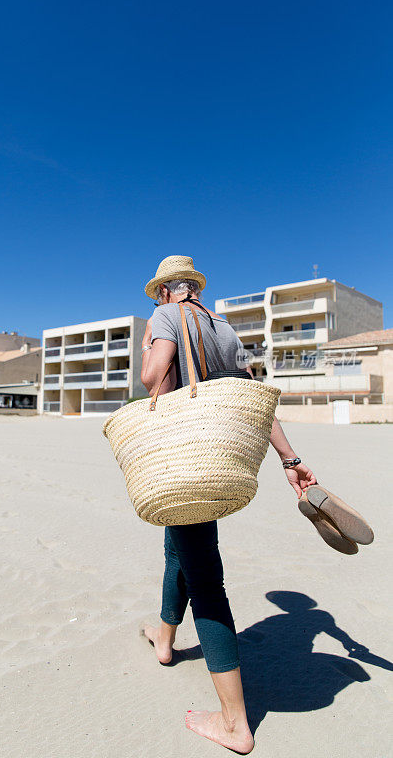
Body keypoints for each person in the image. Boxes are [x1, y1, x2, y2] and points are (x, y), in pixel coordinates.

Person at [140, 256, 317, 754]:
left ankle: (235, 723)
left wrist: (150, 345)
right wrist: (289, 457)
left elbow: (151, 380)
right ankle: (165, 640)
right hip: (219, 454)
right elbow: (254, 397)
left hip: (184, 453)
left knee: (204, 577)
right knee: (181, 549)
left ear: (163, 292)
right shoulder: (222, 326)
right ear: (194, 286)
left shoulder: (165, 317)